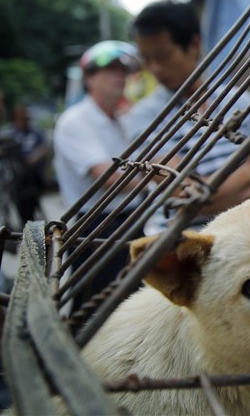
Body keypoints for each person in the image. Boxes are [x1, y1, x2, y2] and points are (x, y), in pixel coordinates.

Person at [123, 0, 250, 233]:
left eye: (162, 56)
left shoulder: (236, 99)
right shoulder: (144, 117)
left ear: (194, 45)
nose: (155, 68)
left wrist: (217, 202)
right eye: (146, 59)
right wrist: (247, 172)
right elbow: (183, 194)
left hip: (247, 233)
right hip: (180, 241)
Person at [53, 40, 145, 309]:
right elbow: (108, 178)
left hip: (128, 219)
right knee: (95, 310)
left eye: (123, 70)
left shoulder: (122, 119)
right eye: (110, 69)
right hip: (95, 226)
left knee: (129, 306)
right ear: (89, 77)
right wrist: (159, 181)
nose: (120, 76)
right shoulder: (76, 120)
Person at [3, 105, 47, 222]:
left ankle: (34, 229)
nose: (25, 121)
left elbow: (43, 148)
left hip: (33, 176)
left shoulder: (36, 132)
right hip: (16, 179)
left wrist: (31, 160)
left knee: (33, 205)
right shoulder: (9, 134)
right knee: (23, 209)